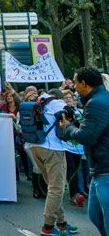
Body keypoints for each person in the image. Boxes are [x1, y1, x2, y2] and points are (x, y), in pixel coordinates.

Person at [58, 67, 109, 235]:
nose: (74, 87)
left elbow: (87, 136)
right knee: (94, 214)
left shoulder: (96, 103)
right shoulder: (99, 99)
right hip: (99, 170)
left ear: (84, 83)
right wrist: (77, 125)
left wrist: (67, 127)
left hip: (105, 170)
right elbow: (95, 130)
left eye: (75, 82)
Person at [26, 89, 78, 235]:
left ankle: (61, 223)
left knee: (52, 187)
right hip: (52, 148)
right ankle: (47, 227)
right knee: (57, 188)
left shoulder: (37, 102)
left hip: (35, 145)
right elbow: (70, 121)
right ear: (59, 97)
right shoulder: (58, 104)